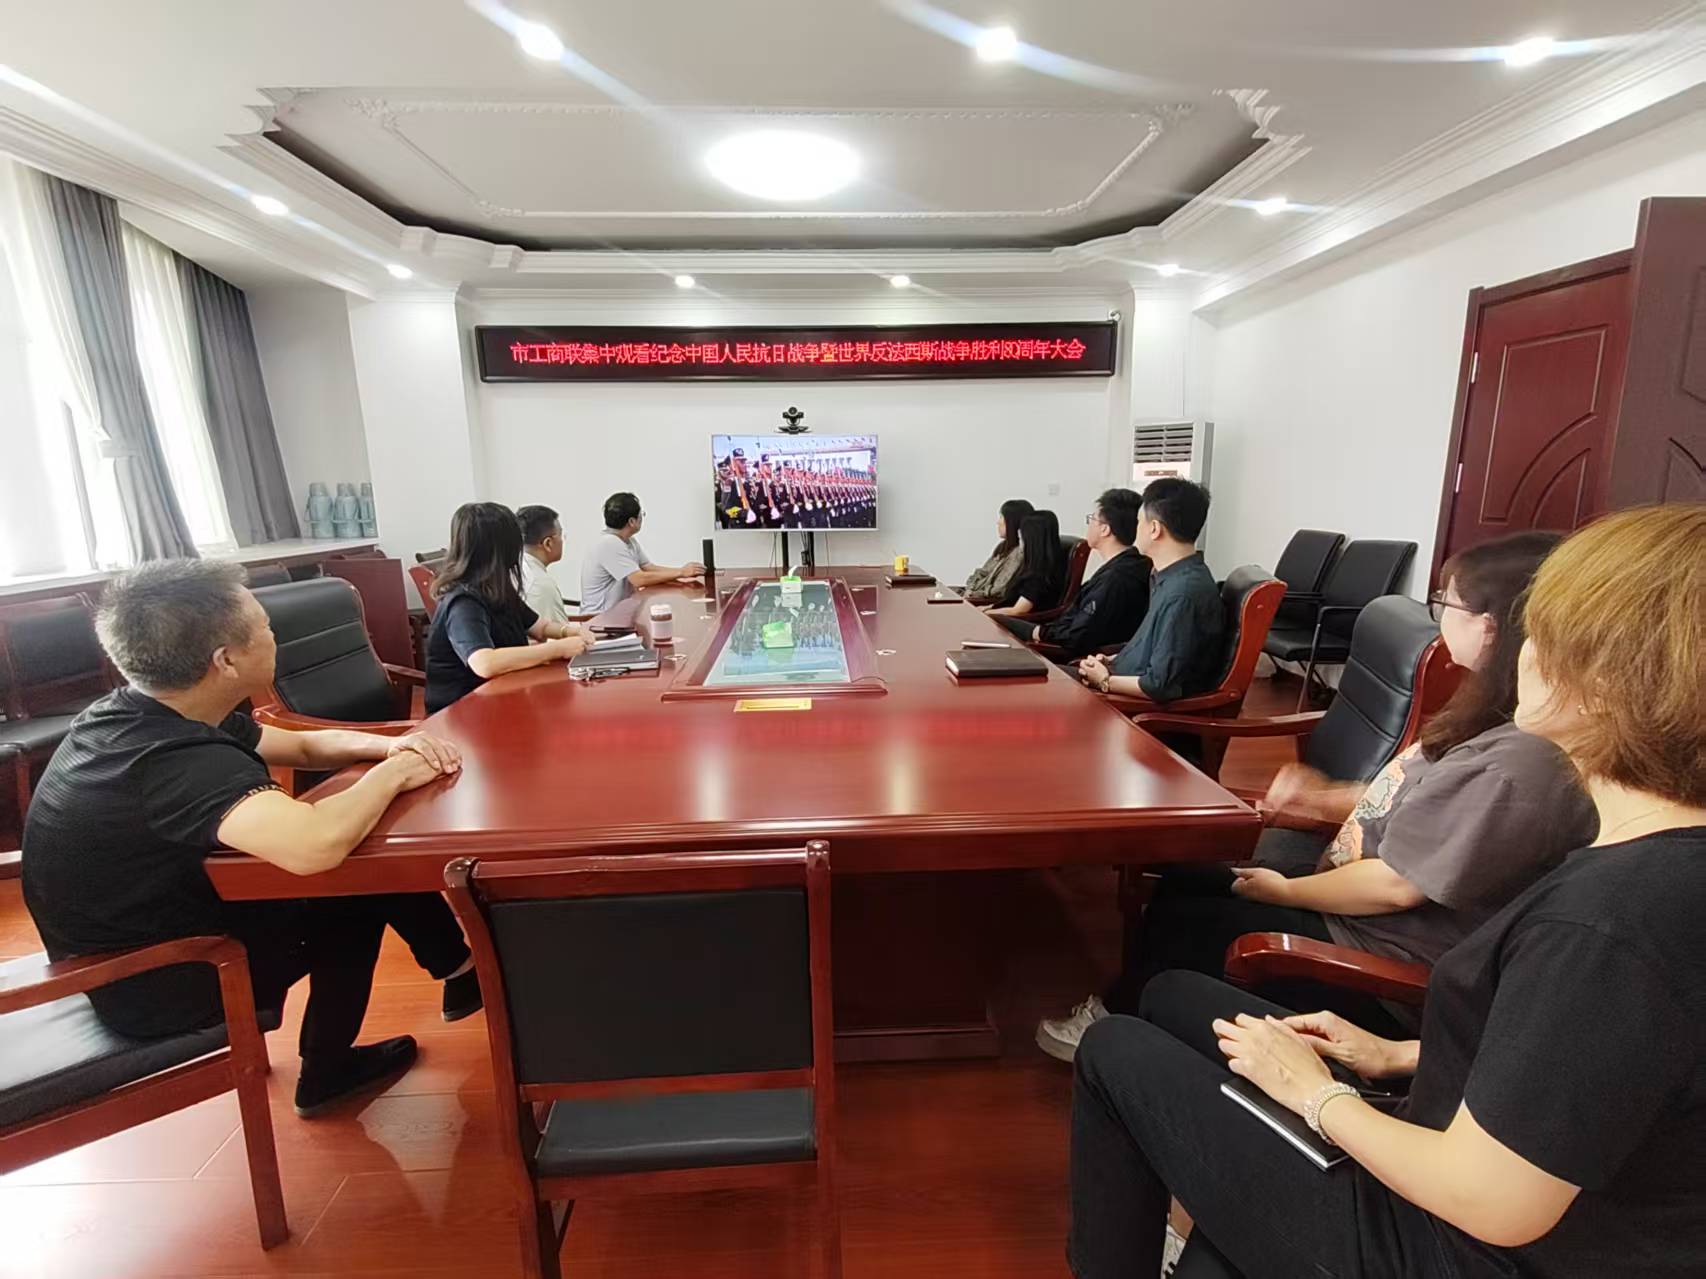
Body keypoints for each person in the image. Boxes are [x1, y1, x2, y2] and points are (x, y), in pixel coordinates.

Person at [1068, 503, 1706, 1279]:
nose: (1528, 651)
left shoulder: (1609, 923)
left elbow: (1494, 1202)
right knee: (1170, 993)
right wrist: (1395, 1052)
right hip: (1445, 1124)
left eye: (1548, 634)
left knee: (1113, 1051)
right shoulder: (1646, 873)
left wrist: (1320, 1097)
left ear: (1609, 684)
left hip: (1441, 1240)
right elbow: (1589, 1072)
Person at [1038, 529, 1595, 1061]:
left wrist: (1287, 892)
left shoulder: (1514, 765)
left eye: (1446, 604)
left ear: (1491, 628)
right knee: (1184, 878)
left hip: (1378, 950)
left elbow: (1395, 887)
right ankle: (1128, 1006)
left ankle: (1122, 1025)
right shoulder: (1490, 714)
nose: (1438, 616)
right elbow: (1416, 802)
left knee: (1188, 919)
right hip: (1352, 888)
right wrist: (1324, 798)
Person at [21, 560, 481, 1118]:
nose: (274, 635)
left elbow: (301, 746)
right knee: (353, 882)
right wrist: (395, 774)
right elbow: (315, 844)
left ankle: (459, 973)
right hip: (162, 980)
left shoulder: (149, 711)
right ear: (226, 660)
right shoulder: (173, 763)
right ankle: (338, 1063)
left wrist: (391, 747)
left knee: (357, 857)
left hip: (139, 941)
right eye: (264, 626)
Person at [425, 502, 590, 714]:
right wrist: (557, 649)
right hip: (462, 714)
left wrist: (571, 632)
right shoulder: (463, 601)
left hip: (500, 698)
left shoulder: (495, 588)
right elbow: (485, 662)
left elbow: (539, 627)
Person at [1075, 478, 1222, 704]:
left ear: (1154, 529)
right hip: (1121, 679)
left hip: (1129, 706)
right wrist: (1113, 660)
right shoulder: (1168, 577)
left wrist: (1104, 680)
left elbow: (1158, 685)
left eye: (1138, 522)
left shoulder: (1182, 594)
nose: (1136, 529)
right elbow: (1155, 647)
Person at [996, 488, 1150, 659]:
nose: (1089, 524)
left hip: (1067, 652)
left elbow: (1078, 636)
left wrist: (1039, 632)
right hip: (1057, 633)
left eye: (1092, 519)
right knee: (997, 621)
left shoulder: (1117, 578)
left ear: (1105, 530)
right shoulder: (1128, 564)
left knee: (996, 623)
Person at [579, 492, 706, 614]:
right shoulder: (609, 543)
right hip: (599, 619)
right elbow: (639, 579)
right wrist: (681, 572)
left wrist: (683, 572)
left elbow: (648, 567)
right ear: (632, 521)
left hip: (621, 613)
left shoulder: (629, 541)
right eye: (641, 515)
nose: (642, 518)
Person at [516, 503, 588, 631]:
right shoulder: (540, 584)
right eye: (561, 535)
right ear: (548, 543)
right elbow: (557, 635)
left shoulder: (515, 568)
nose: (562, 541)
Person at [985, 511, 1065, 619]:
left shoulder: (1040, 574)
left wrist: (985, 613)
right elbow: (1010, 601)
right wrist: (988, 608)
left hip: (1020, 623)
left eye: (1022, 536)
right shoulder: (1034, 566)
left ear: (1032, 540)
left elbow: (1018, 611)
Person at [962, 498, 1035, 603]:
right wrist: (970, 589)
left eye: (1001, 517)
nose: (998, 522)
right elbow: (981, 573)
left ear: (1012, 522)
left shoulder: (1020, 554)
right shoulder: (1003, 547)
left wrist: (974, 594)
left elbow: (1000, 590)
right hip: (974, 594)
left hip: (985, 601)